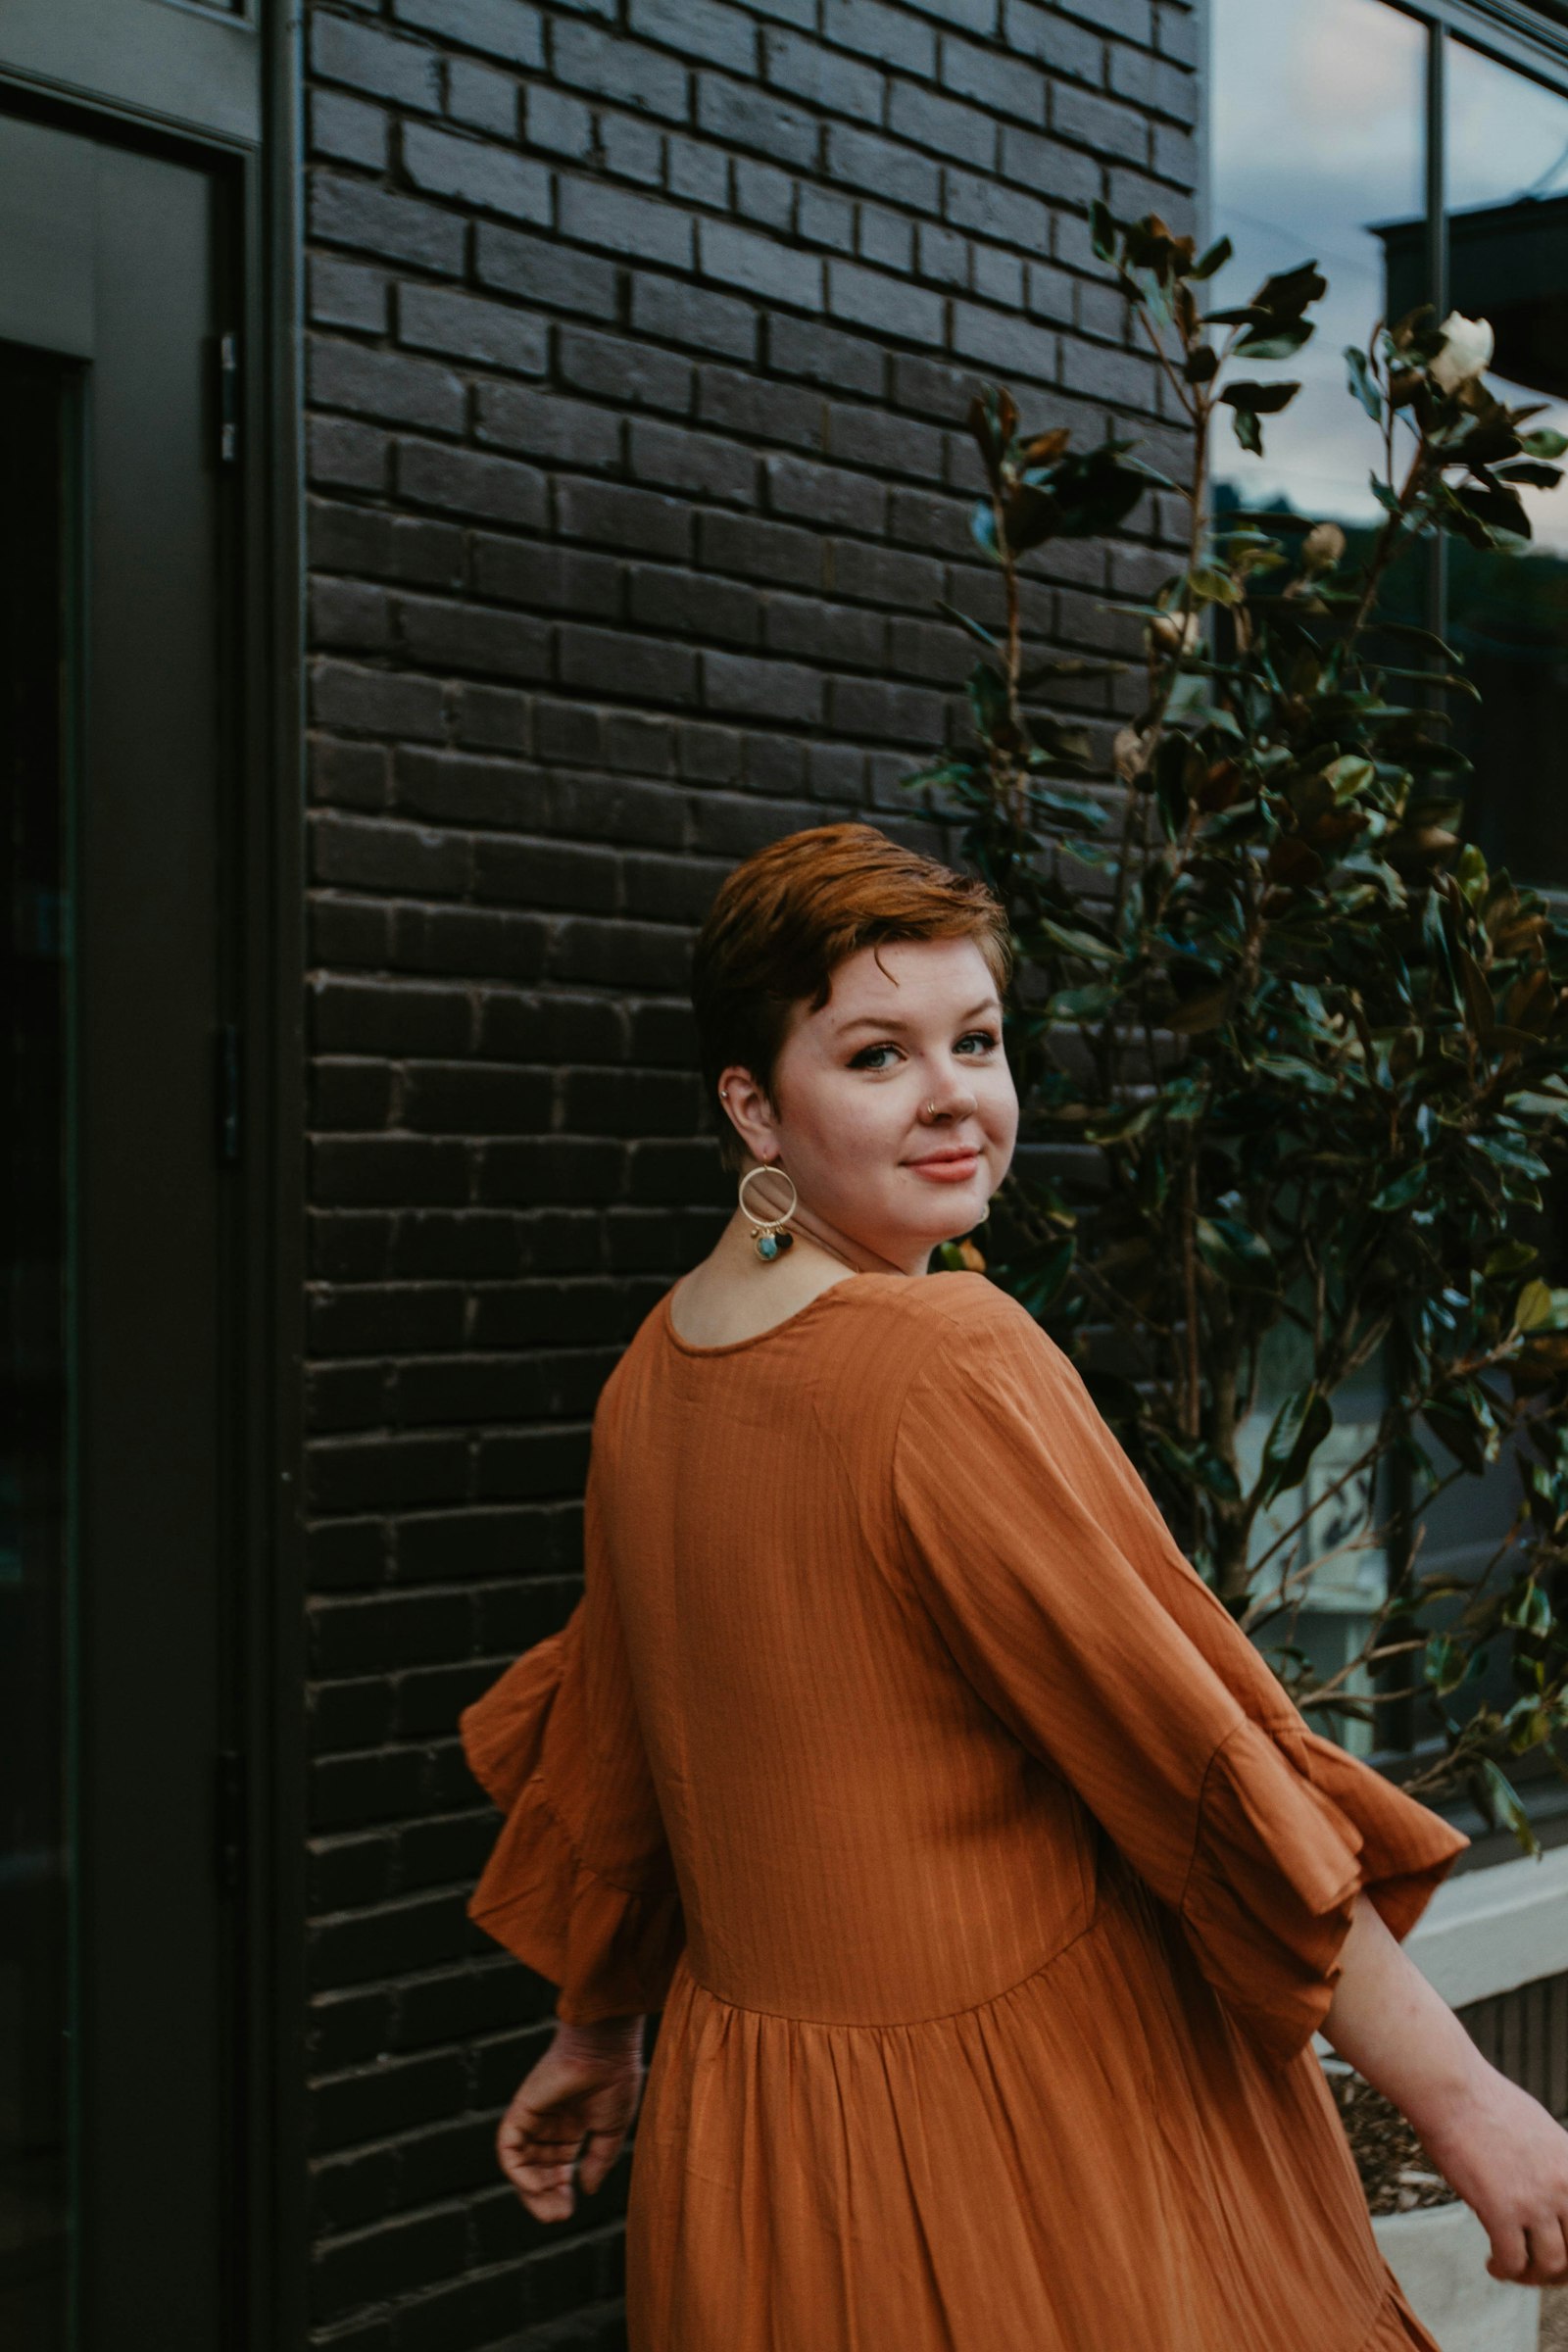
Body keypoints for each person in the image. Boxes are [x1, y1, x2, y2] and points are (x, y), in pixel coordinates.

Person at [459, 821, 1568, 2351]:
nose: (954, 1100)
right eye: (875, 1056)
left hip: (757, 2147)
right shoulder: (948, 1361)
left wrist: (597, 2027)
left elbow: (630, 1748)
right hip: (1018, 2136)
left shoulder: (656, 1370)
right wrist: (1467, 2101)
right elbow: (1201, 1763)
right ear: (752, 1105)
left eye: (974, 1040)